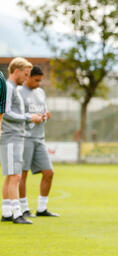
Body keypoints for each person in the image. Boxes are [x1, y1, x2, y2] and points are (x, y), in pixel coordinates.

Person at [1, 58, 43, 224]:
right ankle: (17, 213)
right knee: (15, 176)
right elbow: (6, 112)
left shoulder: (14, 88)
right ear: (16, 70)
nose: (26, 78)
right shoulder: (8, 87)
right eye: (25, 74)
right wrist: (28, 117)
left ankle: (6, 211)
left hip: (16, 135)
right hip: (11, 136)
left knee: (10, 175)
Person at [18, 66, 59, 218]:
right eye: (36, 80)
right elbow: (16, 115)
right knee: (22, 174)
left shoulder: (40, 92)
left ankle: (42, 209)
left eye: (40, 81)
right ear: (27, 77)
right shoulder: (19, 92)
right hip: (24, 137)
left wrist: (46, 115)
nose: (39, 84)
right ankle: (23, 209)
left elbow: (44, 111)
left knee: (49, 172)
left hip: (39, 138)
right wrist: (31, 117)